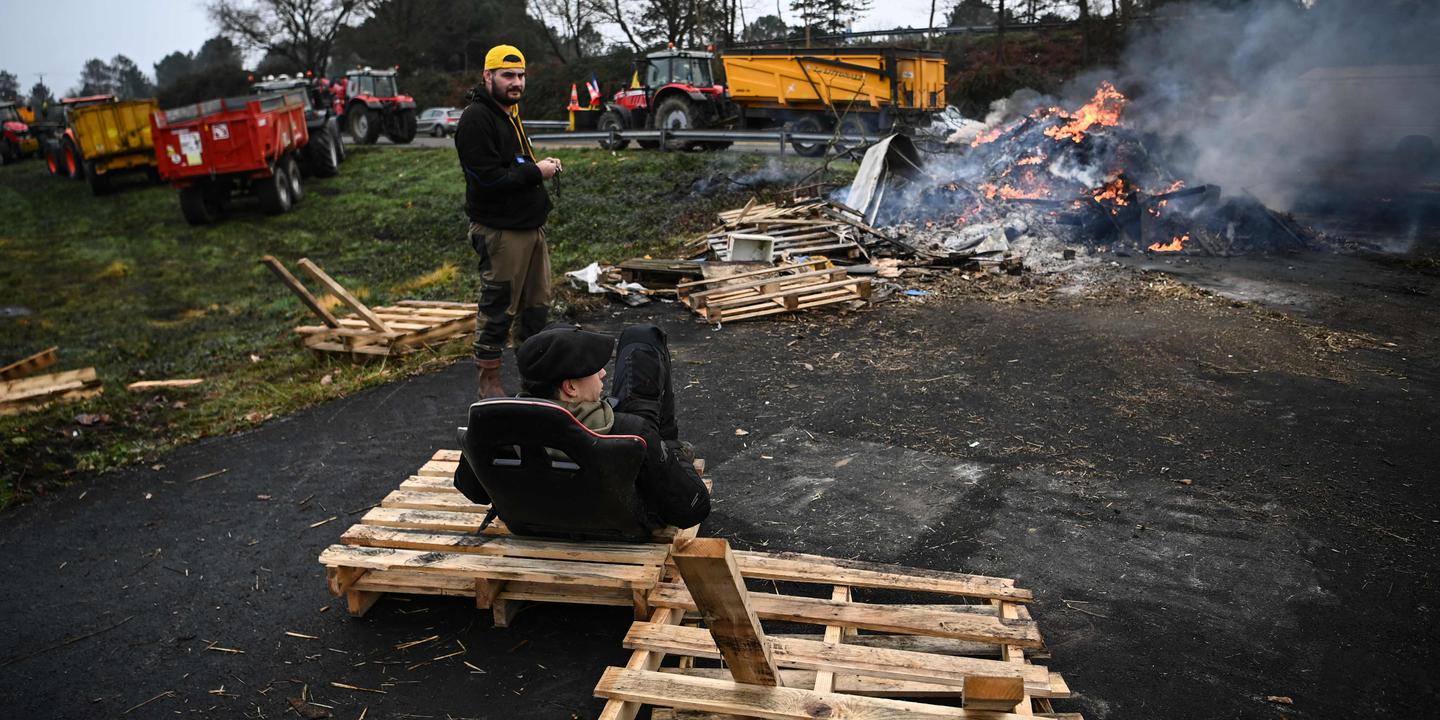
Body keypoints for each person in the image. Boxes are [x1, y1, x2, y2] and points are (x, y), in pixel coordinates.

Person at [510, 323, 710, 530]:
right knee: (642, 337)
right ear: (570, 387)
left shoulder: (498, 423)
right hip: (619, 527)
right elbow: (692, 508)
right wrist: (669, 446)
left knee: (558, 329)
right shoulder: (631, 433)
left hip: (530, 520)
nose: (603, 373)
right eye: (594, 370)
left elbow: (476, 491)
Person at [455, 44, 566, 399]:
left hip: (530, 228)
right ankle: (489, 382)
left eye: (520, 75)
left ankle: (535, 381)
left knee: (536, 309)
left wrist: (534, 169)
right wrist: (536, 171)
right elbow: (487, 179)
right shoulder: (477, 119)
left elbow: (512, 165)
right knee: (498, 306)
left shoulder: (509, 114)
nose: (516, 82)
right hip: (501, 231)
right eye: (507, 75)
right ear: (488, 76)